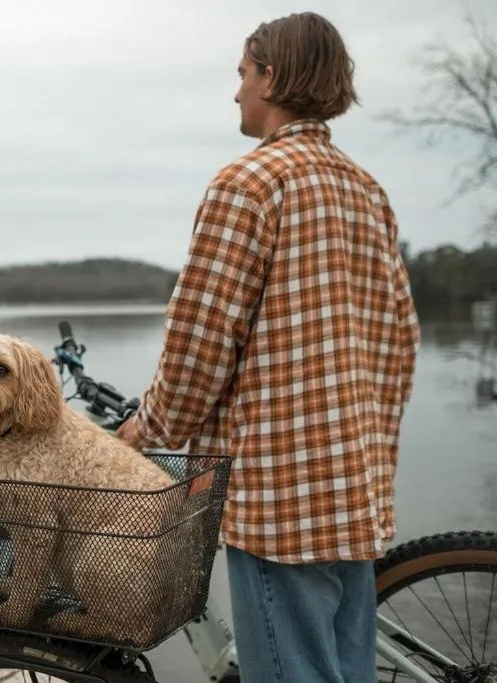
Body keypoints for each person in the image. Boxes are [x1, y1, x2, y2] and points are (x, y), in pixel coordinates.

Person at [115, 11, 421, 683]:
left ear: (271, 76)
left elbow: (200, 343)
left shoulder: (249, 183)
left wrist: (150, 425)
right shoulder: (367, 191)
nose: (236, 92)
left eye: (242, 74)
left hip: (281, 500)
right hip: (354, 491)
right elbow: (401, 342)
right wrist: (368, 454)